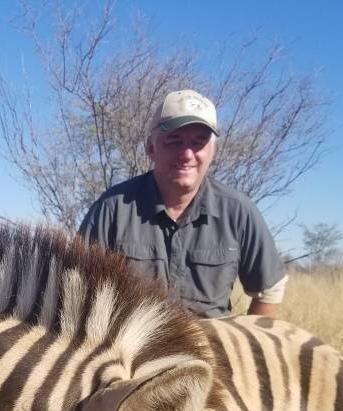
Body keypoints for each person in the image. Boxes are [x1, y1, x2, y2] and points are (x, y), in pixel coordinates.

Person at [78, 89, 287, 319]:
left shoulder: (238, 211)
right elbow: (76, 288)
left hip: (211, 351)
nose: (187, 154)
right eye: (174, 141)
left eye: (199, 142)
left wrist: (244, 345)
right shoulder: (112, 209)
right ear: (151, 147)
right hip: (135, 352)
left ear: (212, 151)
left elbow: (270, 289)